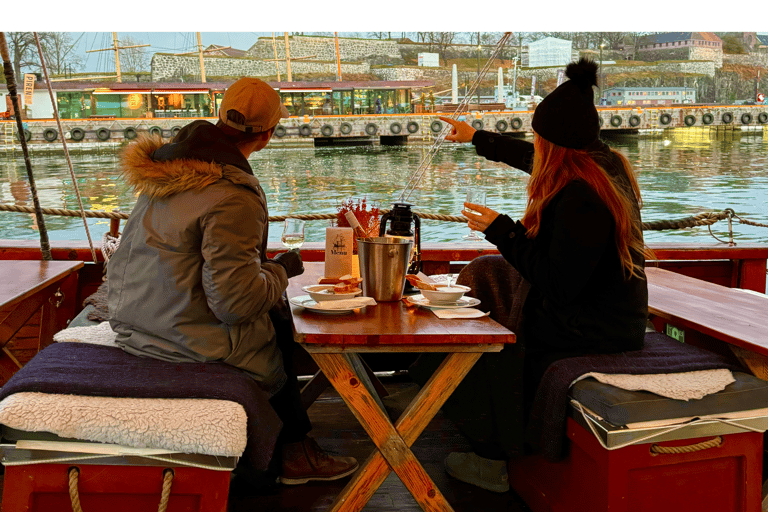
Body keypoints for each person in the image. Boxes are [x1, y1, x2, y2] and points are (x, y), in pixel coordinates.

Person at [408, 58, 649, 493]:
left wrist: (501, 230)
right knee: (484, 272)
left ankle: (493, 458)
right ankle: (422, 378)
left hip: (598, 328)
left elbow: (557, 283)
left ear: (553, 146)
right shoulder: (598, 164)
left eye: (538, 139)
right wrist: (477, 137)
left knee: (494, 351)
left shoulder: (581, 199)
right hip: (598, 310)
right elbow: (530, 159)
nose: (533, 146)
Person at [107, 77, 358, 489]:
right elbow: (235, 305)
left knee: (273, 310)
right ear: (268, 134)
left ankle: (291, 445)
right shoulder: (232, 194)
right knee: (273, 327)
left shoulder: (167, 169)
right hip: (182, 342)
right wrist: (282, 270)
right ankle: (293, 454)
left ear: (221, 115)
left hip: (134, 323)